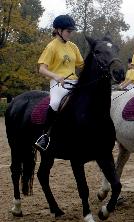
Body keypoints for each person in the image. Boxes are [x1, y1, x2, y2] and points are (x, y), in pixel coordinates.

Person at [34, 14, 84, 151]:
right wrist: (55, 76)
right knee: (55, 103)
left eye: (71, 31)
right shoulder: (51, 47)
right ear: (59, 30)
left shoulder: (73, 46)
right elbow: (42, 69)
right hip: (58, 83)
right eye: (68, 31)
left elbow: (81, 65)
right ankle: (45, 135)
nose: (70, 34)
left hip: (74, 82)